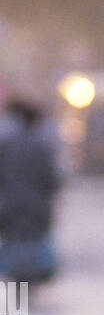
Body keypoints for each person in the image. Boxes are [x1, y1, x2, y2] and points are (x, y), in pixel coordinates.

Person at [0, 99, 61, 283]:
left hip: (11, 206)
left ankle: (15, 277)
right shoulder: (42, 147)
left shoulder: (6, 146)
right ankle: (34, 277)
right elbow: (52, 180)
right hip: (37, 208)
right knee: (35, 242)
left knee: (12, 241)